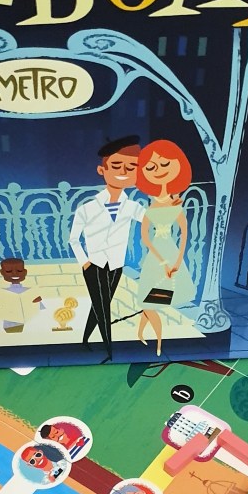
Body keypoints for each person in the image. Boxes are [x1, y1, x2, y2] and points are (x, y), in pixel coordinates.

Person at [69, 137, 144, 363]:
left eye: (131, 167)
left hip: (116, 264)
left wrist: (166, 203)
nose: (123, 172)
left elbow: (151, 221)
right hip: (94, 265)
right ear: (102, 170)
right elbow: (73, 239)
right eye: (116, 166)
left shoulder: (132, 207)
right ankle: (109, 351)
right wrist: (85, 262)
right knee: (103, 309)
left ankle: (85, 339)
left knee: (100, 305)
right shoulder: (86, 209)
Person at [135, 140, 195, 356]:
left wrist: (176, 262)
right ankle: (144, 335)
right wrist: (161, 260)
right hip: (156, 257)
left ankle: (158, 342)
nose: (158, 171)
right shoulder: (150, 206)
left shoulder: (176, 205)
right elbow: (145, 237)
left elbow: (185, 234)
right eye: (151, 167)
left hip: (169, 252)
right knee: (147, 301)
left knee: (149, 302)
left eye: (165, 164)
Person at [0, 258, 43, 333]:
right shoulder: (0, 291)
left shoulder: (29, 291)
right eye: (8, 271)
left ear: (25, 272)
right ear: (2, 272)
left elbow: (38, 306)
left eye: (19, 271)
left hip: (27, 318)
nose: (14, 274)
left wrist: (36, 302)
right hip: (9, 321)